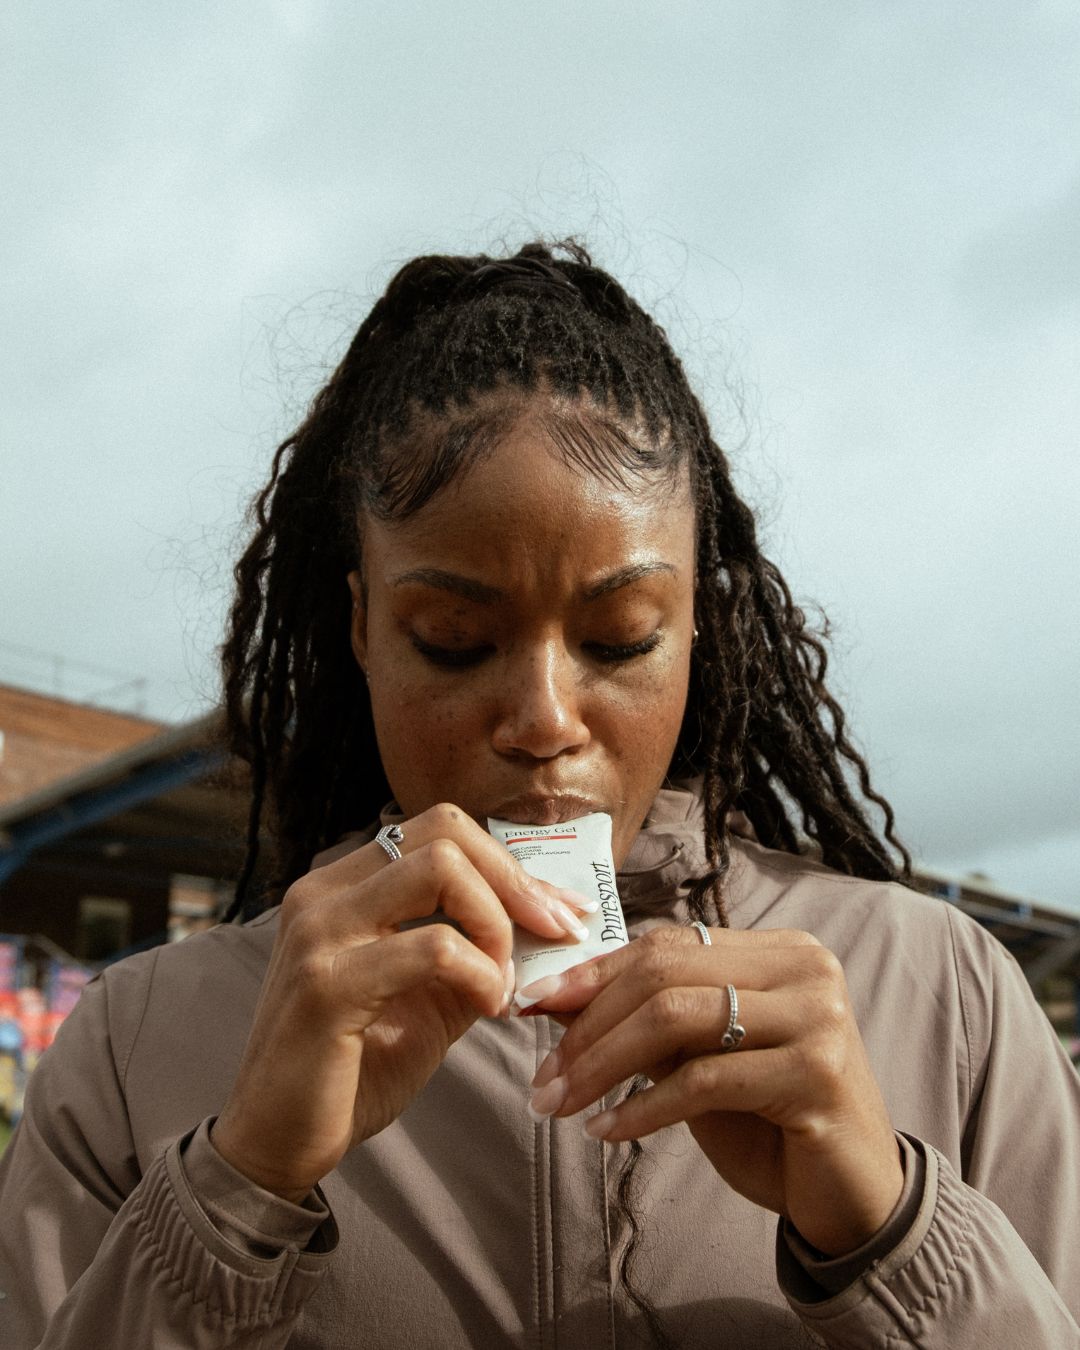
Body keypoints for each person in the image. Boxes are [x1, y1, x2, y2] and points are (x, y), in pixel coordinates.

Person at [1, 241, 1077, 1349]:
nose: (546, 720)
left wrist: (891, 1232)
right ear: (364, 622)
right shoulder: (140, 1046)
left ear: (695, 626)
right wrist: (235, 1193)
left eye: (621, 639)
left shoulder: (947, 1002)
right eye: (454, 642)